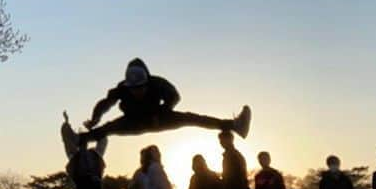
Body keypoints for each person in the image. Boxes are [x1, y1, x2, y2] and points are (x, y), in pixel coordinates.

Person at [78, 58, 251, 142]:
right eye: (134, 90)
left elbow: (175, 96)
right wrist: (95, 119)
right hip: (133, 121)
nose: (138, 92)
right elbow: (105, 103)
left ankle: (235, 126)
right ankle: (79, 140)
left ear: (147, 82)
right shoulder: (122, 87)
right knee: (109, 128)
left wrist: (163, 111)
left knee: (192, 118)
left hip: (159, 117)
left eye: (141, 88)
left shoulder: (158, 83)